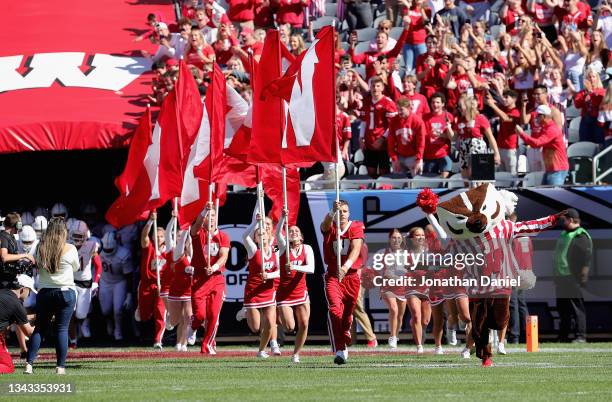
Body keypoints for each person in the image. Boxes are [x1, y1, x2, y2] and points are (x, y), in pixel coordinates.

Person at [25, 218, 79, 375]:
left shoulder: (40, 247)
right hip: (65, 292)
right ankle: (60, 367)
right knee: (61, 329)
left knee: (39, 329)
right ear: (63, 232)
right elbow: (76, 267)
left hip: (45, 293)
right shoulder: (70, 248)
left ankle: (29, 364)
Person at [321, 200, 365, 365]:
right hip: (333, 276)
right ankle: (340, 349)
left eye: (345, 211)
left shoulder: (356, 226)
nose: (342, 214)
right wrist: (332, 212)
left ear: (349, 213)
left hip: (351, 276)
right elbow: (325, 225)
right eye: (340, 211)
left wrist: (346, 267)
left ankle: (346, 329)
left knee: (347, 315)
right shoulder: (330, 226)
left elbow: (356, 248)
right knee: (334, 310)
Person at [242, 203, 283, 358]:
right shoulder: (253, 250)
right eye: (259, 233)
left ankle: (264, 349)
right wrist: (254, 223)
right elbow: (244, 237)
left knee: (270, 322)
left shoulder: (276, 249)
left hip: (269, 290)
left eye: (264, 232)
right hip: (253, 290)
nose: (262, 235)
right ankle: (246, 312)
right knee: (256, 327)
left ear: (269, 233)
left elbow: (279, 270)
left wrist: (270, 276)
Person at [190, 202, 230, 355]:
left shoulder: (222, 236)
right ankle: (193, 326)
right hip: (199, 279)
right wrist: (203, 211)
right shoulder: (198, 232)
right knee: (200, 315)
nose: (211, 218)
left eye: (213, 215)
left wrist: (213, 268)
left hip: (216, 278)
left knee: (214, 314)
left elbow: (224, 255)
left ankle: (207, 345)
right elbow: (195, 227)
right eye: (208, 216)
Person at [276, 214, 313, 363]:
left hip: (301, 291)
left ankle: (296, 354)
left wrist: (294, 266)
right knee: (290, 327)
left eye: (296, 231)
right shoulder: (284, 247)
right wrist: (283, 218)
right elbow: (278, 233)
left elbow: (311, 268)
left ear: (302, 236)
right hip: (285, 293)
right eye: (291, 231)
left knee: (304, 324)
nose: (294, 232)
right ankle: (276, 318)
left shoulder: (307, 248)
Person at [553, 208, 592, 343]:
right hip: (561, 277)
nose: (561, 222)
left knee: (577, 308)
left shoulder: (580, 235)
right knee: (563, 309)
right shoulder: (565, 234)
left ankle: (580, 336)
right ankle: (563, 335)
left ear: (570, 220)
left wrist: (581, 276)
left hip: (572, 278)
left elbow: (585, 259)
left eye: (563, 220)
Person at [135, 213, 167, 349]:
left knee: (160, 312)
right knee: (144, 315)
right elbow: (144, 237)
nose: (159, 238)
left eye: (161, 236)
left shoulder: (168, 251)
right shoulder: (149, 248)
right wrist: (150, 222)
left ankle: (158, 340)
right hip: (147, 285)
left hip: (162, 286)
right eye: (157, 235)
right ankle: (140, 308)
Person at [67, 220, 101, 348]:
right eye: (74, 235)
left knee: (81, 314)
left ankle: (79, 326)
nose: (76, 239)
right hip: (70, 282)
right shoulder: (66, 245)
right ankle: (73, 340)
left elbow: (98, 265)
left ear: (86, 235)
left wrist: (96, 282)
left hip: (86, 283)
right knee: (70, 311)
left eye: (79, 236)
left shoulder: (92, 245)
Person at [516, 105, 569, 185]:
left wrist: (522, 134)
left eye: (538, 115)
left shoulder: (551, 129)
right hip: (551, 169)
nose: (536, 117)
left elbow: (537, 143)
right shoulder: (546, 128)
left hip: (557, 170)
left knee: (553, 195)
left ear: (544, 116)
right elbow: (535, 144)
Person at [375, 229, 408, 350]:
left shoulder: (406, 254)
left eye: (399, 237)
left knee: (400, 315)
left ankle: (396, 335)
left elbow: (410, 269)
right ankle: (392, 337)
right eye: (394, 237)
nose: (396, 240)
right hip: (388, 287)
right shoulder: (382, 252)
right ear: (389, 239)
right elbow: (375, 268)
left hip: (402, 287)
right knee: (393, 309)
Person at [99, 230, 133, 341]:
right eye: (106, 249)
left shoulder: (124, 254)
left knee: (118, 310)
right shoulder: (98, 249)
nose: (108, 251)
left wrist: (129, 294)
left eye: (110, 249)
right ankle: (109, 323)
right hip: (105, 281)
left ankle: (118, 330)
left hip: (119, 282)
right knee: (105, 310)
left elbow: (128, 275)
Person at [404, 227, 432, 354]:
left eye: (422, 235)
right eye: (417, 235)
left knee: (425, 320)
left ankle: (421, 329)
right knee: (416, 315)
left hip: (427, 288)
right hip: (412, 287)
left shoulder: (430, 252)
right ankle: (419, 346)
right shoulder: (406, 253)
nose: (421, 237)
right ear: (412, 238)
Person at [0, 275, 35, 374]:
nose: (29, 295)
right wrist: (45, 323)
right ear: (23, 289)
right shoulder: (16, 304)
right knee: (8, 367)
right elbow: (29, 332)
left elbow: (15, 318)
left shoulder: (3, 293)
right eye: (29, 292)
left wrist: (36, 316)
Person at [167, 229, 193, 351]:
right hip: (176, 290)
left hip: (189, 290)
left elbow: (191, 245)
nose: (181, 238)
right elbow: (179, 240)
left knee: (188, 317)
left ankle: (183, 343)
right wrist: (185, 229)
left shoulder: (191, 254)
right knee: (175, 321)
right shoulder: (177, 253)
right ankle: (169, 317)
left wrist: (190, 237)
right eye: (177, 236)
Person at [387, 97, 427, 176]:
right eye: (398, 109)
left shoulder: (417, 121)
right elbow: (390, 142)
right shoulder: (394, 121)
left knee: (416, 181)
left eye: (401, 109)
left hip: (413, 156)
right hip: (399, 156)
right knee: (397, 182)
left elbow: (421, 143)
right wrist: (394, 159)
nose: (399, 112)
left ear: (408, 108)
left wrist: (418, 159)